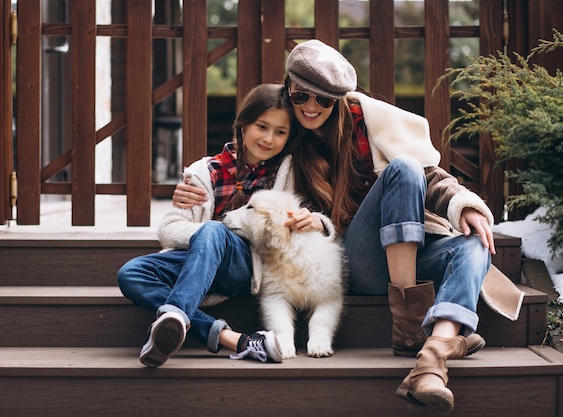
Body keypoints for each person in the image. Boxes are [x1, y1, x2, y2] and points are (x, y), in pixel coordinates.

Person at [172, 40, 522, 413]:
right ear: (289, 88)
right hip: (362, 262)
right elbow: (249, 169)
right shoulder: (289, 138)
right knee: (402, 169)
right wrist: (197, 188)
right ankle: (410, 327)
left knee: (474, 242)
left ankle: (433, 355)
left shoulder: (367, 123)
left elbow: (427, 173)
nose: (310, 107)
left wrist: (460, 205)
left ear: (338, 99)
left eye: (323, 100)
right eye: (301, 95)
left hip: (408, 243)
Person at [118, 83, 329, 368]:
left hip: (248, 267)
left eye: (280, 132)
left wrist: (319, 222)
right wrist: (211, 239)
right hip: (200, 265)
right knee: (131, 273)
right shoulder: (205, 171)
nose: (268, 138)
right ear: (243, 125)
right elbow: (169, 229)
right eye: (261, 126)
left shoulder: (288, 171)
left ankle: (178, 315)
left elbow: (318, 215)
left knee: (214, 230)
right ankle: (236, 340)